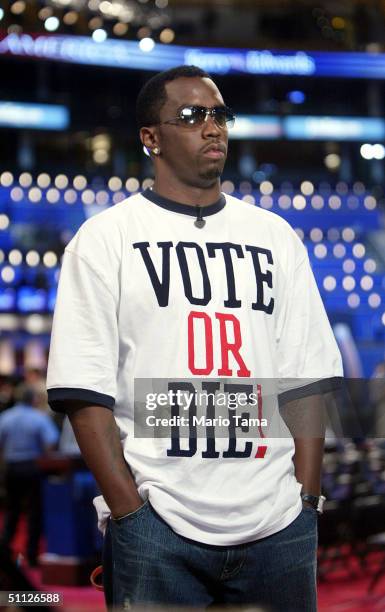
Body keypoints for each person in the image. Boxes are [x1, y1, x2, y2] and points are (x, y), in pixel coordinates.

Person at [46, 65, 343, 610]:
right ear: (150, 137)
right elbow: (83, 395)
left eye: (220, 115)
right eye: (191, 116)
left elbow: (305, 380)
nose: (213, 128)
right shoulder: (105, 239)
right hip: (156, 522)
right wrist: (130, 511)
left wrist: (305, 499)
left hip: (278, 521)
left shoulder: (275, 236)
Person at [0, 383, 59, 566]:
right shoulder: (38, 418)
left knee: (12, 510)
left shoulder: (5, 417)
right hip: (33, 467)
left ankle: (4, 551)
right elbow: (51, 443)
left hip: (12, 468)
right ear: (32, 399)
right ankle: (32, 554)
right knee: (34, 512)